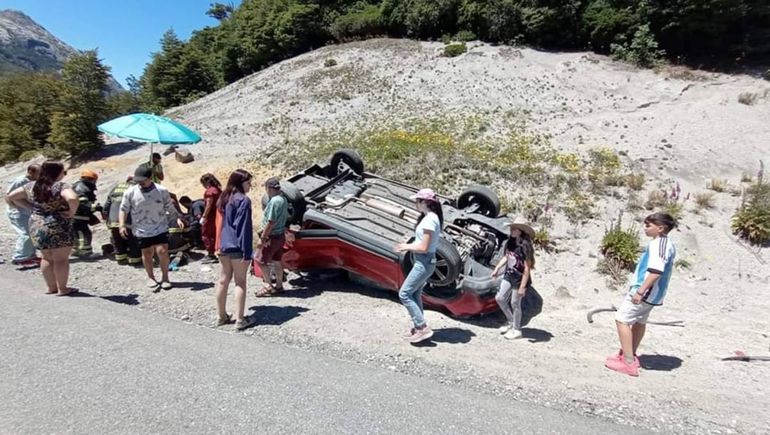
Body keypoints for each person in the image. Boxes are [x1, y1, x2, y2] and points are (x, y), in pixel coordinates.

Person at [605, 212, 677, 377]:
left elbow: (656, 271)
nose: (645, 228)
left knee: (622, 319)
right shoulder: (668, 244)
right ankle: (628, 353)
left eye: (648, 225)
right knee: (639, 321)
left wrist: (640, 291)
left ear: (660, 228)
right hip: (655, 294)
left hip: (647, 291)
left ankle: (628, 362)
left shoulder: (658, 244)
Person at [6, 161, 79, 295]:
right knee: (61, 259)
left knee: (46, 257)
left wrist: (30, 208)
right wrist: (71, 212)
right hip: (58, 224)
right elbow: (73, 198)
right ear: (57, 172)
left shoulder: (31, 186)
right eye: (63, 171)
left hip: (37, 223)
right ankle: (63, 288)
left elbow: (11, 196)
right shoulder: (61, 186)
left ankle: (51, 288)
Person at [119, 165, 184, 292]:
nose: (140, 183)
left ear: (150, 178)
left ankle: (165, 278)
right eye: (138, 181)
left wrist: (177, 218)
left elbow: (169, 207)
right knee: (147, 253)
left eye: (143, 180)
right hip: (141, 228)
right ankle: (151, 277)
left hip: (159, 226)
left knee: (162, 251)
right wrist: (121, 225)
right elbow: (123, 209)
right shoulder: (130, 192)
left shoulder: (161, 190)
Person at [394, 188, 443, 344]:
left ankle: (422, 327)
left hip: (424, 261)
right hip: (424, 261)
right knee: (414, 294)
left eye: (417, 201)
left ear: (425, 202)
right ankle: (418, 327)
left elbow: (423, 247)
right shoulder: (430, 218)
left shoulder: (430, 220)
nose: (415, 204)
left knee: (404, 294)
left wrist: (405, 247)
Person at [215, 169, 255, 330]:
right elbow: (243, 227)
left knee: (223, 280)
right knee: (240, 282)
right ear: (240, 183)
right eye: (248, 183)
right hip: (238, 246)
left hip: (224, 244)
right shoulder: (243, 201)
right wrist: (247, 251)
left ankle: (221, 316)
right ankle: (240, 319)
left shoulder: (224, 198)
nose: (250, 185)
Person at [491, 216, 536, 340]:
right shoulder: (510, 242)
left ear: (521, 231)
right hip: (509, 275)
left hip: (519, 278)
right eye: (512, 228)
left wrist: (522, 287)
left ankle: (517, 329)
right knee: (500, 298)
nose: (511, 230)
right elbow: (507, 257)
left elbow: (527, 268)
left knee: (515, 303)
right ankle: (511, 321)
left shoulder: (525, 246)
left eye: (514, 229)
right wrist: (497, 269)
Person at [254, 177, 288, 297]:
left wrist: (263, 238)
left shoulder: (274, 201)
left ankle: (268, 285)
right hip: (280, 235)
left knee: (260, 260)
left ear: (268, 188)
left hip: (271, 236)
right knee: (277, 261)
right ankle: (279, 285)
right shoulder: (283, 199)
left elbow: (271, 221)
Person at [5, 164, 40, 265]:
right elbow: (9, 196)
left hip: (26, 210)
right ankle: (21, 257)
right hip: (18, 211)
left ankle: (30, 255)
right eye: (38, 173)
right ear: (30, 172)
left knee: (32, 232)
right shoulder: (20, 181)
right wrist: (15, 208)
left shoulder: (33, 181)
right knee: (26, 234)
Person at [103, 175, 141, 266]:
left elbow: (107, 204)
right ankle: (135, 260)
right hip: (127, 220)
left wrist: (105, 214)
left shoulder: (116, 188)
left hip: (113, 219)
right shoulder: (135, 188)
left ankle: (121, 259)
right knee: (132, 239)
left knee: (117, 239)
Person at [71, 169, 103, 257]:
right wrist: (96, 207)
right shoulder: (82, 188)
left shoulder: (79, 186)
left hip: (76, 215)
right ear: (91, 179)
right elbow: (83, 204)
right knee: (84, 233)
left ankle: (75, 250)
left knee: (77, 233)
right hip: (78, 216)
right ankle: (85, 252)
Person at [199, 173, 222, 263]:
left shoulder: (210, 192)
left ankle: (211, 254)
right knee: (215, 234)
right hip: (218, 216)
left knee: (207, 234)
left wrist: (204, 216)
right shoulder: (218, 190)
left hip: (210, 216)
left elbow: (209, 204)